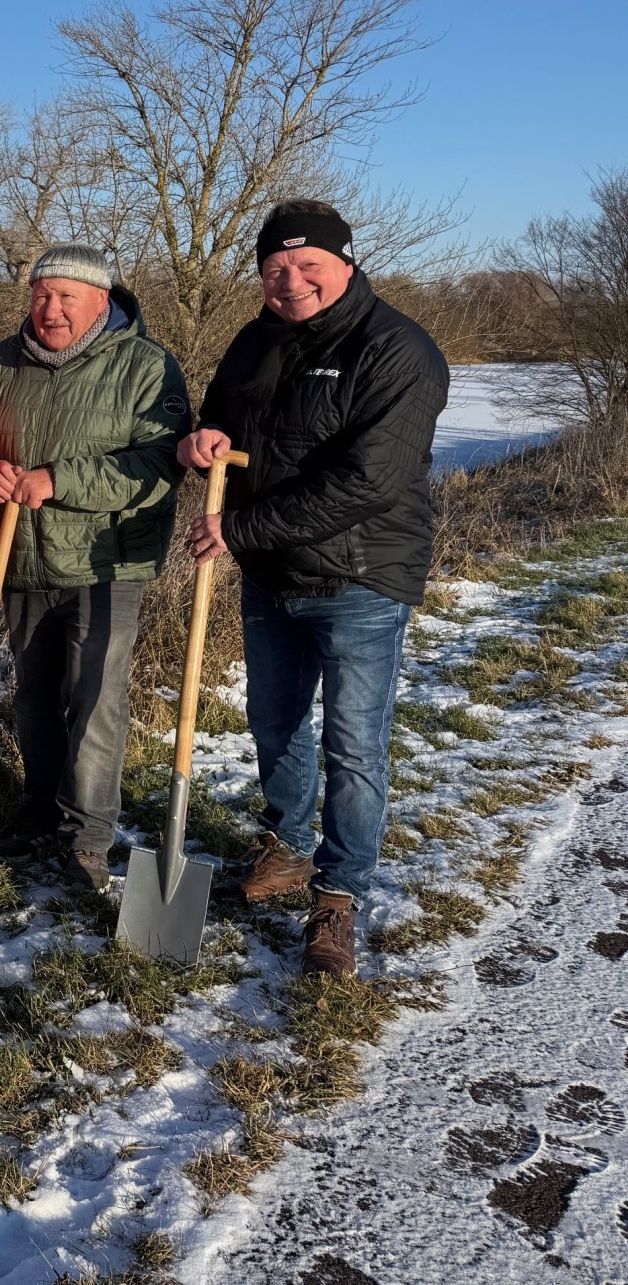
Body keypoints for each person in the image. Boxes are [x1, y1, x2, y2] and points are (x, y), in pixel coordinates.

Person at [180, 199, 447, 976]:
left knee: (353, 743)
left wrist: (239, 530)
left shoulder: (399, 349)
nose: (291, 282)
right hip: (273, 574)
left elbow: (368, 481)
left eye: (308, 267)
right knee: (275, 722)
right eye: (274, 270)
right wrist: (205, 441)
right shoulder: (255, 339)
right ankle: (288, 845)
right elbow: (220, 419)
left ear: (347, 263)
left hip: (361, 573)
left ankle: (339, 895)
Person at [0, 244, 189, 890]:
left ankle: (87, 836)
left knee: (95, 701)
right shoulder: (0, 361)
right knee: (34, 699)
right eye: (40, 295)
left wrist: (61, 479)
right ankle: (38, 815)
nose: (50, 310)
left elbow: (160, 466)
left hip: (107, 559)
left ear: (100, 304)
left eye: (66, 298)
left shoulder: (146, 366)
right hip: (22, 553)